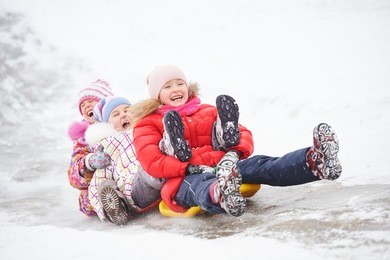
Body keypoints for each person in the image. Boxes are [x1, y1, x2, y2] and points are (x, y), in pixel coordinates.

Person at [131, 64, 254, 217]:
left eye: (180, 83)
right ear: (157, 95)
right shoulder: (148, 122)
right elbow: (151, 160)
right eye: (167, 86)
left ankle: (224, 134)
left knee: (256, 164)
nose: (175, 89)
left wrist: (234, 153)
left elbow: (244, 132)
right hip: (179, 175)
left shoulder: (208, 110)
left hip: (221, 165)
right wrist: (186, 168)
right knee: (200, 185)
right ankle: (220, 193)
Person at [85, 96, 163, 225]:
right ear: (107, 125)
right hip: (134, 189)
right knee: (106, 185)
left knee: (161, 157)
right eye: (116, 114)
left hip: (158, 167)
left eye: (127, 110)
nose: (123, 115)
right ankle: (117, 207)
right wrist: (103, 210)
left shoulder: (147, 128)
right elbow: (96, 183)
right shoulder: (108, 147)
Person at [67, 79, 114, 217]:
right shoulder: (83, 139)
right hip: (99, 183)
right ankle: (113, 206)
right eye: (83, 104)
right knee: (90, 198)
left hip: (123, 174)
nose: (87, 105)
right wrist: (89, 162)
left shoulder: (120, 123)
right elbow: (73, 176)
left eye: (91, 101)